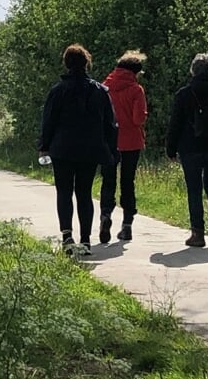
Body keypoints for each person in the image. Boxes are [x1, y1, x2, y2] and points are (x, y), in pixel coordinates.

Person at [38, 44, 119, 255]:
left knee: (64, 192)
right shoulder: (100, 91)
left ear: (66, 64)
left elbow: (49, 121)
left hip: (62, 149)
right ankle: (85, 241)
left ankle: (67, 237)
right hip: (90, 150)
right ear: (87, 63)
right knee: (84, 193)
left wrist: (44, 147)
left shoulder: (58, 91)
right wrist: (111, 151)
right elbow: (110, 124)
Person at [165, 53, 208, 247]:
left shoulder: (184, 94)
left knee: (194, 189)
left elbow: (175, 124)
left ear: (192, 71)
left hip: (190, 148)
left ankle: (198, 233)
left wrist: (170, 149)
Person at [99, 51, 148, 243]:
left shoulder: (104, 88)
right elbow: (138, 118)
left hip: (108, 142)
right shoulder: (136, 90)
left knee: (108, 181)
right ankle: (127, 225)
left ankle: (105, 216)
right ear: (135, 72)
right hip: (131, 142)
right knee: (128, 182)